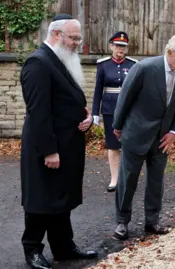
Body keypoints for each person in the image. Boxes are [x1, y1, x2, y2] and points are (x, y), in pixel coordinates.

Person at [19, 14, 98, 269]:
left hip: (67, 145)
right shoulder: (38, 63)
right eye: (73, 38)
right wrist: (49, 151)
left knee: (61, 198)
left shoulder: (59, 59)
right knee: (41, 200)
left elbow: (65, 100)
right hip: (47, 148)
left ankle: (63, 247)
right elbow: (39, 111)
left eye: (78, 38)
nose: (77, 43)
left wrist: (85, 117)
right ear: (56, 35)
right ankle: (32, 250)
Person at [112, 35, 175, 240]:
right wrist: (118, 126)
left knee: (156, 181)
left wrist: (174, 133)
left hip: (162, 139)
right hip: (135, 134)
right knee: (127, 180)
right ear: (170, 52)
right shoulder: (145, 68)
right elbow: (125, 97)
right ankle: (122, 222)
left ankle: (152, 221)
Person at [92, 31, 138, 192]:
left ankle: (128, 178)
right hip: (110, 109)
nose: (121, 49)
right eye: (118, 46)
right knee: (113, 145)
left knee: (128, 145)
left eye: (124, 46)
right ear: (111, 46)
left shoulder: (133, 65)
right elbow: (98, 90)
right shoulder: (103, 65)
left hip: (129, 110)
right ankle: (115, 179)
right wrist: (95, 113)